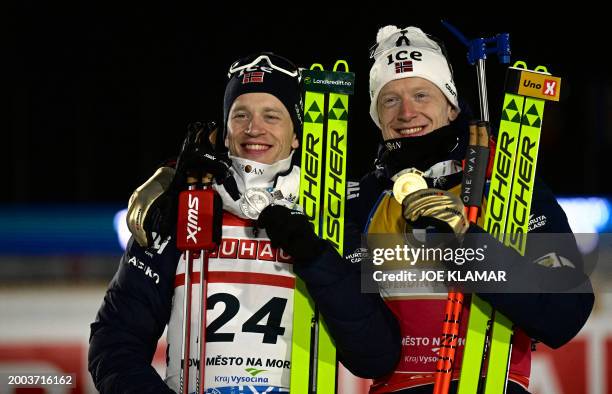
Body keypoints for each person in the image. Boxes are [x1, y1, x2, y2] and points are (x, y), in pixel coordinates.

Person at [88, 52, 399, 394]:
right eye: (240, 115)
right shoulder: (182, 208)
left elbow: (377, 356)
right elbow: (115, 342)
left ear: (297, 135)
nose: (254, 129)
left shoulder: (333, 217)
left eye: (272, 116)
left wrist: (317, 258)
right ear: (224, 132)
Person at [332, 25, 594, 393]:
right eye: (390, 100)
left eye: (422, 94)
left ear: (452, 105)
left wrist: (468, 243)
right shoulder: (359, 201)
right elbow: (365, 352)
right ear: (377, 115)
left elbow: (565, 315)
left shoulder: (506, 184)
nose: (407, 113)